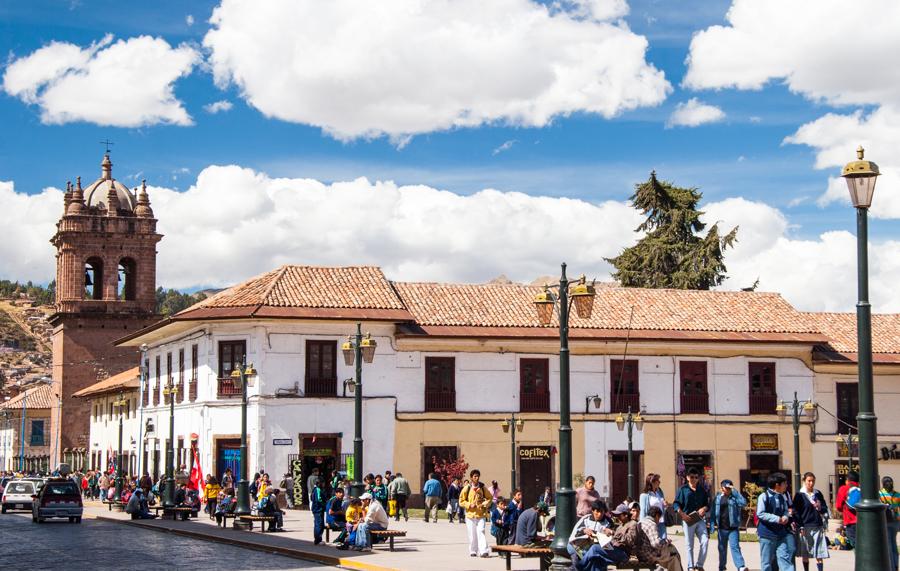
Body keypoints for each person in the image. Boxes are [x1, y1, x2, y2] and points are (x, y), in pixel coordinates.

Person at [757, 472, 796, 571]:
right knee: (766, 562)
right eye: (784, 483)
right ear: (777, 485)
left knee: (784, 558)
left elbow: (786, 511)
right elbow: (760, 513)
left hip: (781, 534)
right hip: (767, 535)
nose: (786, 486)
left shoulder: (782, 496)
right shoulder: (763, 496)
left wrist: (785, 517)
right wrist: (777, 519)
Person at [673, 467, 710, 571]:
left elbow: (707, 504)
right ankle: (690, 566)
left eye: (696, 477)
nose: (694, 479)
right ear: (687, 478)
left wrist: (704, 508)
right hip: (687, 519)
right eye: (692, 477)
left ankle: (699, 565)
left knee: (705, 541)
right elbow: (676, 503)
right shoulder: (682, 489)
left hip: (699, 519)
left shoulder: (702, 489)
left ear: (698, 478)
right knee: (689, 545)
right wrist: (682, 514)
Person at [792, 472, 829, 571]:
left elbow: (825, 508)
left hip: (818, 525)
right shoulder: (800, 495)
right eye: (809, 481)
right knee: (806, 552)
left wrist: (820, 507)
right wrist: (800, 526)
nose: (811, 483)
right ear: (804, 481)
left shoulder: (818, 493)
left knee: (819, 552)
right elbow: (796, 512)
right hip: (805, 526)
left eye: (813, 481)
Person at [711, 479, 748, 571]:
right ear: (722, 488)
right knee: (722, 549)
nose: (728, 489)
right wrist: (712, 525)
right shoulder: (718, 498)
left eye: (730, 488)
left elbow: (743, 503)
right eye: (726, 487)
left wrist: (736, 492)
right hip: (721, 528)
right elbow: (713, 512)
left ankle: (741, 566)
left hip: (733, 528)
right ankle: (722, 567)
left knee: (735, 547)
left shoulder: (734, 498)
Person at [459, 468, 492, 558]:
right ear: (471, 477)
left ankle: (484, 551)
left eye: (478, 476)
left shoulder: (482, 487)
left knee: (481, 531)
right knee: (472, 534)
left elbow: (489, 498)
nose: (476, 478)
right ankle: (473, 550)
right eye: (475, 476)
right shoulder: (467, 488)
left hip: (480, 514)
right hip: (470, 515)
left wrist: (484, 504)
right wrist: (469, 505)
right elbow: (461, 501)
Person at [834, 470, 860, 548]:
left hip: (850, 522)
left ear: (847, 480)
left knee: (856, 546)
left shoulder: (844, 489)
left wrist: (844, 509)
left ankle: (860, 560)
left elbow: (838, 506)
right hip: (863, 521)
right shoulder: (861, 489)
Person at [879, 476, 900, 571]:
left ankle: (890, 566)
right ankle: (895, 565)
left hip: (885, 521)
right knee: (893, 543)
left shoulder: (879, 494)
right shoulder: (897, 495)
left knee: (888, 544)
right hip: (895, 521)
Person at [640, 473, 668, 539]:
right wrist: (642, 525)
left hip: (661, 521)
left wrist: (665, 505)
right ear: (652, 482)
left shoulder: (660, 493)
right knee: (653, 542)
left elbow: (662, 507)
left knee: (663, 540)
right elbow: (643, 511)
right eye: (657, 480)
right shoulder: (644, 495)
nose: (659, 482)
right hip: (651, 524)